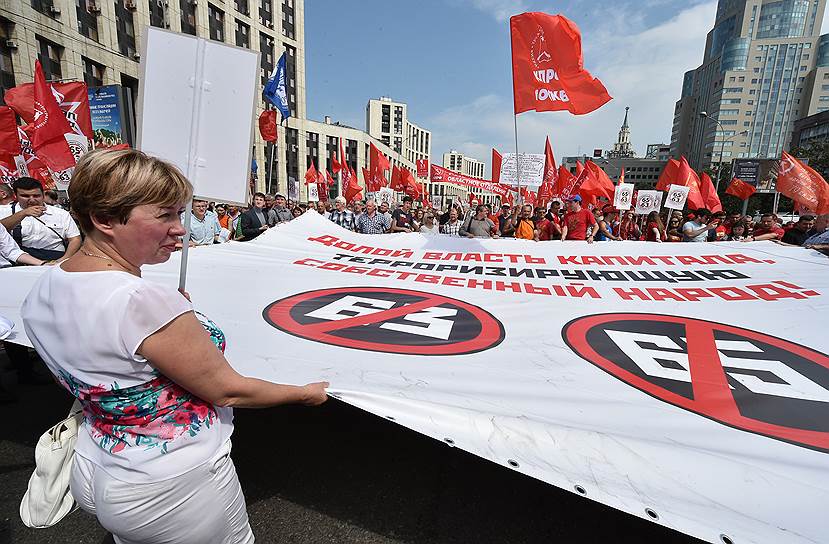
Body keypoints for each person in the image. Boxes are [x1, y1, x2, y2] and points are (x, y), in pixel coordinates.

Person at [20, 148, 329, 543]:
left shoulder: (48, 282)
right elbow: (227, 389)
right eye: (164, 214)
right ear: (105, 219)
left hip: (96, 465)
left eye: (179, 213)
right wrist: (304, 394)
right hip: (172, 483)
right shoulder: (140, 300)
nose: (180, 228)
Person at [0, 177, 82, 261]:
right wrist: (22, 214)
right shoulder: (4, 211)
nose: (31, 200)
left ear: (43, 194)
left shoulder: (61, 213)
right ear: (16, 196)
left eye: (36, 196)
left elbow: (75, 239)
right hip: (19, 262)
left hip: (54, 258)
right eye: (25, 196)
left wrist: (62, 260)